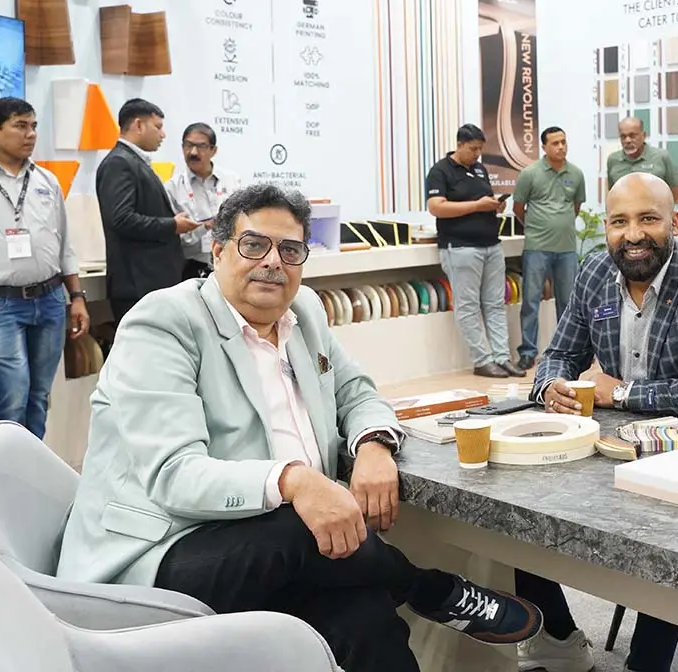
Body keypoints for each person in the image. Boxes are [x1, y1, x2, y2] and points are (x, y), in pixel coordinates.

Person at [56, 184, 543, 672]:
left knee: (368, 620)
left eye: (290, 250)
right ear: (218, 251)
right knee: (300, 527)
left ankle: (413, 595)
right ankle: (429, 589)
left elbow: (359, 393)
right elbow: (174, 474)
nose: (273, 261)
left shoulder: (303, 312)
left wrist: (374, 445)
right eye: (254, 245)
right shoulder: (163, 322)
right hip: (163, 552)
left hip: (284, 551)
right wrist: (295, 480)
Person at [515, 172, 678, 672]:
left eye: (648, 219)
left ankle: (646, 664)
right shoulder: (595, 272)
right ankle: (557, 639)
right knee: (517, 506)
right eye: (619, 222)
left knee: (667, 534)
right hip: (619, 447)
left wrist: (622, 393)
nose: (634, 234)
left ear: (675, 223)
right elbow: (558, 355)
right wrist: (550, 385)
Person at [0, 97, 89, 438]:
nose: (31, 134)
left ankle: (31, 466)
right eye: (20, 126)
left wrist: (77, 297)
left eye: (34, 126)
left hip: (50, 300)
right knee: (12, 395)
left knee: (38, 396)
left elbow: (64, 244)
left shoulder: (46, 180)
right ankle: (3, 466)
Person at [425, 123, 520, 378]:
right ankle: (482, 360)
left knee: (495, 304)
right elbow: (436, 207)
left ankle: (502, 357)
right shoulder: (440, 171)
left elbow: (482, 201)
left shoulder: (479, 169)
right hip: (461, 248)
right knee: (468, 307)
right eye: (473, 149)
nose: (477, 154)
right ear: (459, 145)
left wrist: (493, 206)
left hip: (491, 245)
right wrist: (477, 206)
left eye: (480, 149)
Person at [96, 98, 199, 323]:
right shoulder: (119, 163)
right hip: (138, 284)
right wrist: (172, 225)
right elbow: (121, 219)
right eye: (158, 127)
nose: (163, 135)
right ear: (138, 125)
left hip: (150, 282)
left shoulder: (134, 161)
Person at [513, 125, 586, 370]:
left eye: (563, 142)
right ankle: (528, 352)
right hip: (537, 246)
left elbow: (576, 207)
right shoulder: (530, 174)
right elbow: (518, 208)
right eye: (555, 143)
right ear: (544, 147)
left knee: (568, 304)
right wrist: (537, 227)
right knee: (530, 301)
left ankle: (566, 352)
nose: (561, 147)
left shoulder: (576, 174)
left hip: (566, 248)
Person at [165, 122, 242, 279]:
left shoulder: (232, 180)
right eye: (188, 145)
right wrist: (205, 226)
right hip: (191, 268)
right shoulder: (172, 187)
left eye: (201, 146)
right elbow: (173, 237)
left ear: (213, 150)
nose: (193, 152)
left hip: (230, 264)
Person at [605, 117, 678, 202]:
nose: (627, 140)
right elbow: (612, 192)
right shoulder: (613, 160)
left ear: (644, 135)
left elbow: (675, 191)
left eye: (632, 135)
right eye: (623, 136)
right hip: (623, 209)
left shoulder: (661, 156)